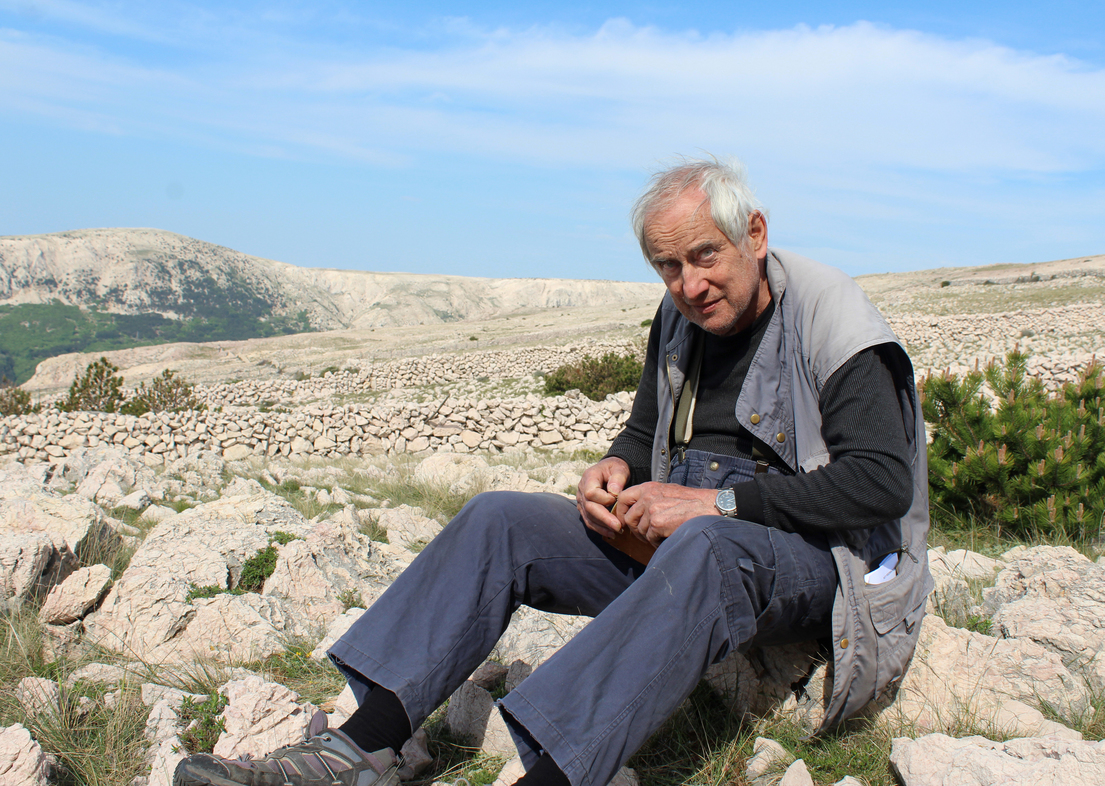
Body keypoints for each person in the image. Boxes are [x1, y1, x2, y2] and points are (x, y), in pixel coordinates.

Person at [174, 158, 933, 786]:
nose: (688, 284)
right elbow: (642, 432)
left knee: (707, 546)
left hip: (816, 562)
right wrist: (614, 468)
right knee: (500, 518)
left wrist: (714, 505)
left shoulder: (831, 316)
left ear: (754, 235)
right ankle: (362, 748)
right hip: (690, 544)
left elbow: (877, 484)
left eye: (703, 256)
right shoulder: (677, 319)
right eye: (667, 266)